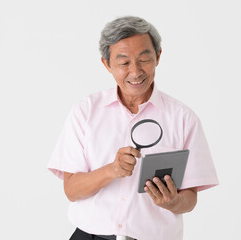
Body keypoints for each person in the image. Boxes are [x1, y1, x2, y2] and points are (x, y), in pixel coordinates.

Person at [48, 16, 218, 240]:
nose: (136, 72)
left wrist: (173, 202)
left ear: (158, 57)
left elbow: (190, 199)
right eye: (124, 62)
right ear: (107, 64)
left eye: (144, 59)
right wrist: (112, 170)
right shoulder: (85, 111)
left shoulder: (184, 118)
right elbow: (71, 190)